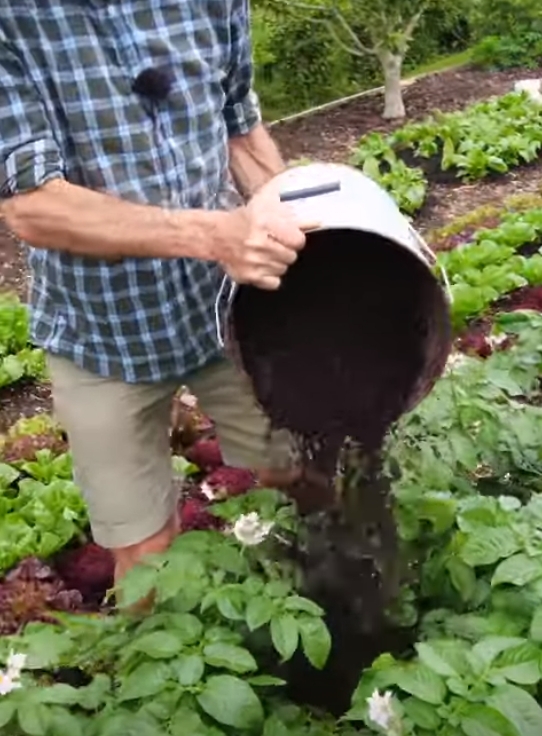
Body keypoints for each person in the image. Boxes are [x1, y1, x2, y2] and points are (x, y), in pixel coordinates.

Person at [0, 1, 317, 587]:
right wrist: (210, 234)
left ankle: (314, 617)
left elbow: (239, 128)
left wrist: (305, 228)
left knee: (302, 478)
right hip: (101, 330)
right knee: (144, 554)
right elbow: (33, 206)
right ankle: (167, 659)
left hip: (231, 310)